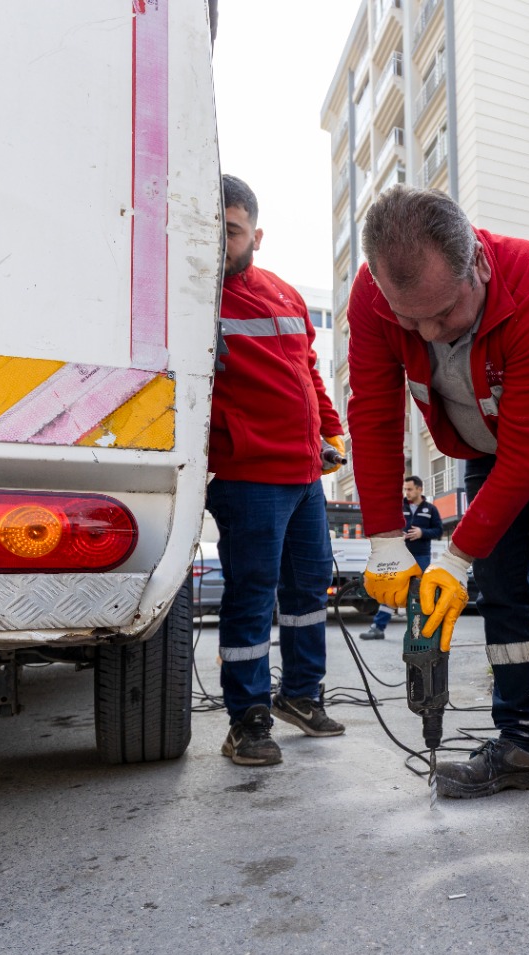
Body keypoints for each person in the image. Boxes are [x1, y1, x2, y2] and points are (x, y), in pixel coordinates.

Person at [346, 186, 529, 855]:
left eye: (443, 314)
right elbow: (374, 413)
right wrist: (385, 536)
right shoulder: (374, 297)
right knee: (500, 588)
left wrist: (453, 554)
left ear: (476, 263)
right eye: (407, 319)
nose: (427, 334)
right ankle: (523, 743)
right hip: (486, 445)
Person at [207, 174, 347, 766]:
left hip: (304, 478)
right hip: (247, 478)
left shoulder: (287, 295)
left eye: (232, 232)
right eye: (212, 232)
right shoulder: (193, 300)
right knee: (251, 599)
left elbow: (309, 374)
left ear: (256, 234)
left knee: (308, 592)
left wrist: (331, 431)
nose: (221, 244)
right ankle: (247, 719)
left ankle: (299, 695)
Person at [359, 475, 443, 639]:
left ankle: (419, 632)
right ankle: (377, 628)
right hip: (399, 554)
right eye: (405, 489)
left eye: (410, 489)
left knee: (419, 593)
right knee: (392, 587)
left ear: (420, 489)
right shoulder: (398, 507)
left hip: (421, 556)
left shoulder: (430, 509)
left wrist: (422, 532)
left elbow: (439, 530)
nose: (407, 492)